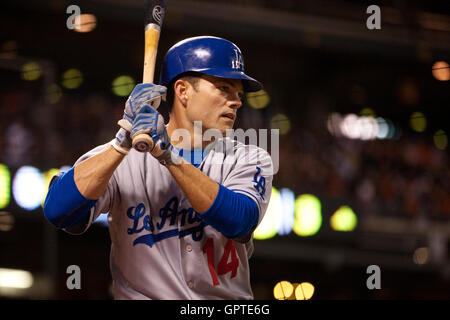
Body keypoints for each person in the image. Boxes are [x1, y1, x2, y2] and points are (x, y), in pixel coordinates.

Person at [43, 36, 274, 300]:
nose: (236, 101)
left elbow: (239, 221)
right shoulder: (124, 154)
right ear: (183, 91)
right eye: (224, 88)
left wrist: (169, 157)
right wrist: (121, 143)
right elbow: (58, 211)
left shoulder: (248, 157)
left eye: (239, 94)